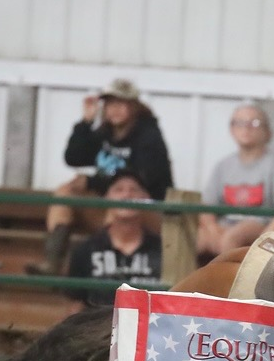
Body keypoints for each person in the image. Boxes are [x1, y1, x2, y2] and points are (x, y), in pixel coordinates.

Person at [26, 78, 173, 275]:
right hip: (110, 206)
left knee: (119, 203)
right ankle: (52, 262)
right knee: (65, 192)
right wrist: (85, 123)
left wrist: (92, 181)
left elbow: (141, 178)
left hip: (145, 211)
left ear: (134, 107)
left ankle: (111, 273)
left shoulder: (149, 136)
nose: (114, 109)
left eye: (121, 104)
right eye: (110, 104)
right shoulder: (105, 133)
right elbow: (74, 157)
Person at [196, 104, 274, 260]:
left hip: (258, 224)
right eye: (239, 123)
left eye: (254, 123)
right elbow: (206, 205)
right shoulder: (223, 165)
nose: (246, 128)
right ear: (231, 129)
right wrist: (212, 228)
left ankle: (230, 283)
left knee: (232, 238)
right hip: (226, 223)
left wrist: (266, 234)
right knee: (198, 238)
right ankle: (188, 283)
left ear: (267, 132)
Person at [63, 171, 163, 312]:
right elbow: (75, 306)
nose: (127, 195)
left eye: (134, 190)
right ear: (106, 198)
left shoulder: (162, 250)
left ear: (146, 197)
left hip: (149, 329)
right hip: (99, 330)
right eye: (118, 190)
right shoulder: (85, 250)